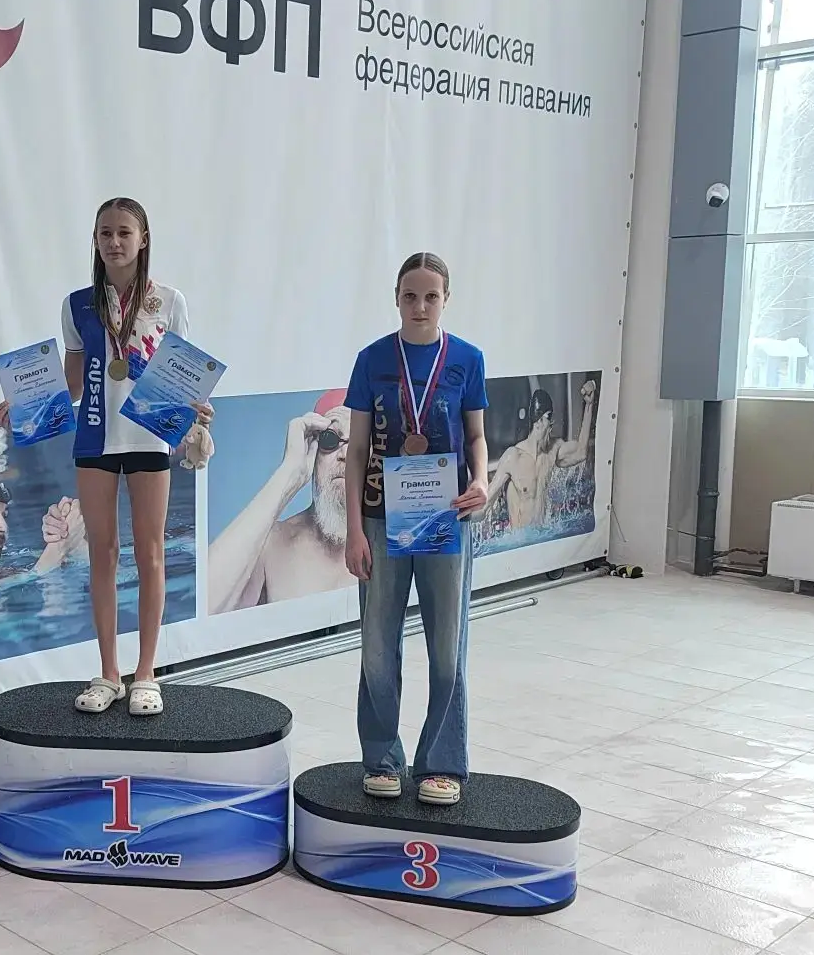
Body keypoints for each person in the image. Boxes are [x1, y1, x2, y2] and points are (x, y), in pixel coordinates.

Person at [0, 196, 213, 716]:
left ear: (143, 239)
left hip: (148, 438)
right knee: (102, 553)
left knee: (151, 553)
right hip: (94, 437)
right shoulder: (77, 305)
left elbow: (180, 373)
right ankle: (109, 673)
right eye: (105, 233)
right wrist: (25, 405)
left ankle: (146, 673)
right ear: (94, 241)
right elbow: (74, 382)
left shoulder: (169, 301)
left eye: (123, 232)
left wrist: (196, 407)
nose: (114, 242)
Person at [344, 252, 489, 807]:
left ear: (446, 299)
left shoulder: (467, 360)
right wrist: (354, 529)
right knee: (378, 648)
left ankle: (441, 762)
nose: (420, 306)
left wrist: (483, 480)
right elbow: (357, 450)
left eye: (431, 296)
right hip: (381, 519)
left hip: (446, 519)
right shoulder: (372, 360)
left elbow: (476, 437)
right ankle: (382, 757)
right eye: (410, 296)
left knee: (447, 647)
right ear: (396, 298)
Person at [208, 389, 353, 612]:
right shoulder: (271, 544)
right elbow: (205, 607)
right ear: (313, 450)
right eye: (331, 439)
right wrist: (290, 472)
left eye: (361, 444)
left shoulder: (392, 542)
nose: (346, 454)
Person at [482, 380, 597, 529]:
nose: (551, 430)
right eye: (550, 424)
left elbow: (581, 452)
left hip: (542, 535)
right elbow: (486, 504)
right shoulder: (513, 457)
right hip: (520, 539)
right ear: (539, 422)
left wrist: (589, 405)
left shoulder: (552, 451)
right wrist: (463, 514)